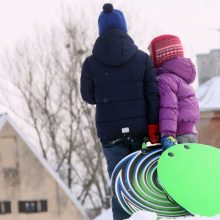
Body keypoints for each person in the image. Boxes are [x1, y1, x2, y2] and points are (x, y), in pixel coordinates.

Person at [80, 3, 160, 220]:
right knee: (143, 183)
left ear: (101, 30)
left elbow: (88, 96)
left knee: (120, 185)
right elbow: (153, 96)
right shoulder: (143, 59)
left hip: (111, 133)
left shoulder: (90, 63)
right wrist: (153, 125)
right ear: (123, 28)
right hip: (141, 131)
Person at [148, 34, 200, 150]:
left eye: (151, 53)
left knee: (177, 167)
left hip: (177, 135)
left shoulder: (165, 79)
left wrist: (168, 134)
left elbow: (169, 107)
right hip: (191, 133)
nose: (149, 57)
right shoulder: (181, 78)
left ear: (162, 56)